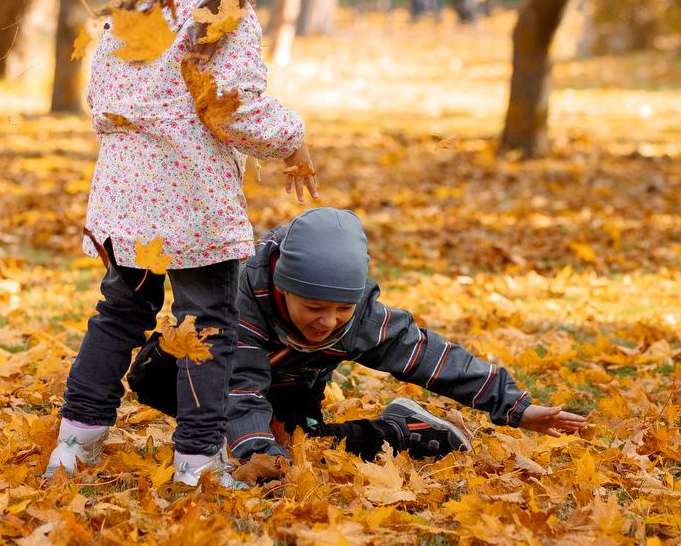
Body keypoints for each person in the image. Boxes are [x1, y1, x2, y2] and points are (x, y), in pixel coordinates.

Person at [48, 0, 320, 487]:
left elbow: (104, 86)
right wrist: (292, 142)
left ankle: (75, 444)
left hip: (126, 190)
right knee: (206, 327)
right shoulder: (222, 5)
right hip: (191, 196)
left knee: (119, 313)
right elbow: (235, 109)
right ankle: (196, 462)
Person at [134, 207, 587, 485]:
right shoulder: (241, 305)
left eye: (341, 310)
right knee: (155, 374)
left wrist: (516, 406)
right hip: (230, 377)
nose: (327, 321)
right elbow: (241, 388)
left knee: (302, 443)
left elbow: (432, 357)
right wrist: (259, 454)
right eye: (313, 307)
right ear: (282, 287)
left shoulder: (362, 319)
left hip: (294, 389)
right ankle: (225, 440)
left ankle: (403, 430)